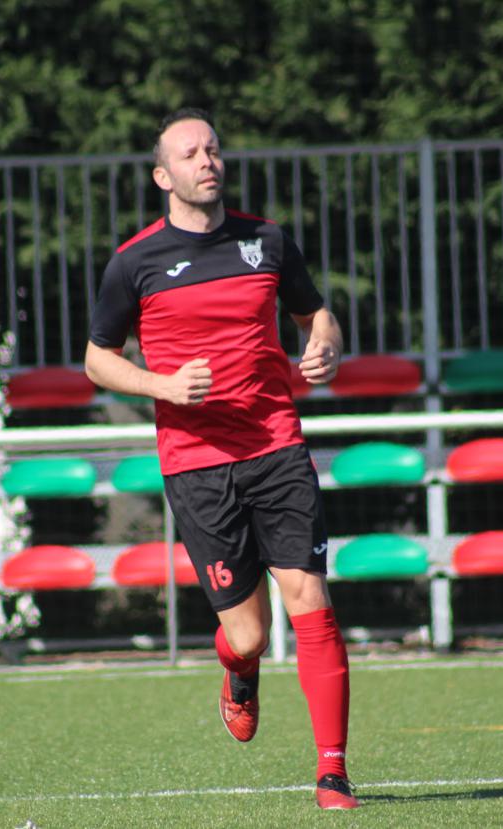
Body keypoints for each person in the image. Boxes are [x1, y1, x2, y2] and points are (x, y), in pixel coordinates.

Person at [84, 108, 356, 810]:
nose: (206, 161)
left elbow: (316, 315)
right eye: (190, 153)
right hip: (196, 462)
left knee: (310, 598)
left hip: (276, 444)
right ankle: (239, 669)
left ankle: (332, 772)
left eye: (212, 149)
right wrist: (163, 386)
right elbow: (97, 359)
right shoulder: (135, 262)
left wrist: (324, 346)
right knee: (249, 632)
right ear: (162, 175)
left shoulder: (267, 241)